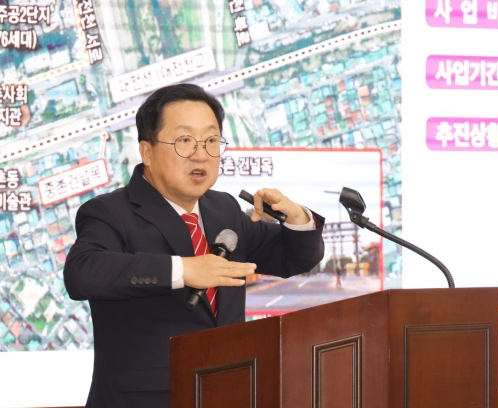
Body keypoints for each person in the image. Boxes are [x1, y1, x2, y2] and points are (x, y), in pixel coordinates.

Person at [63, 84, 325, 408]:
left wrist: (297, 217)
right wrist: (184, 270)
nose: (200, 154)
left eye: (211, 141)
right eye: (185, 140)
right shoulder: (110, 212)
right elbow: (83, 273)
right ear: (147, 151)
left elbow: (294, 258)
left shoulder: (224, 210)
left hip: (227, 393)